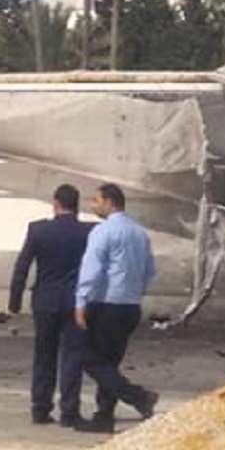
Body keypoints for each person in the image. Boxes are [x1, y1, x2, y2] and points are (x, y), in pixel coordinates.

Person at [69, 183, 159, 433]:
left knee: (86, 357)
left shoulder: (103, 231)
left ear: (109, 202)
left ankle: (138, 396)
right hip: (130, 305)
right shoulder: (139, 233)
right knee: (110, 362)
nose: (93, 206)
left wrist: (81, 300)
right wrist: (136, 291)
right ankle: (104, 415)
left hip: (107, 303)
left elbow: (92, 269)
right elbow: (150, 270)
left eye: (96, 201)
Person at [8, 184, 95, 426]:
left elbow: (22, 266)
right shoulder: (89, 232)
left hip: (45, 300)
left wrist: (14, 302)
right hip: (75, 301)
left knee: (44, 355)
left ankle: (40, 407)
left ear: (55, 204)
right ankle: (69, 410)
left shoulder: (38, 230)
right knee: (72, 356)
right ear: (77, 206)